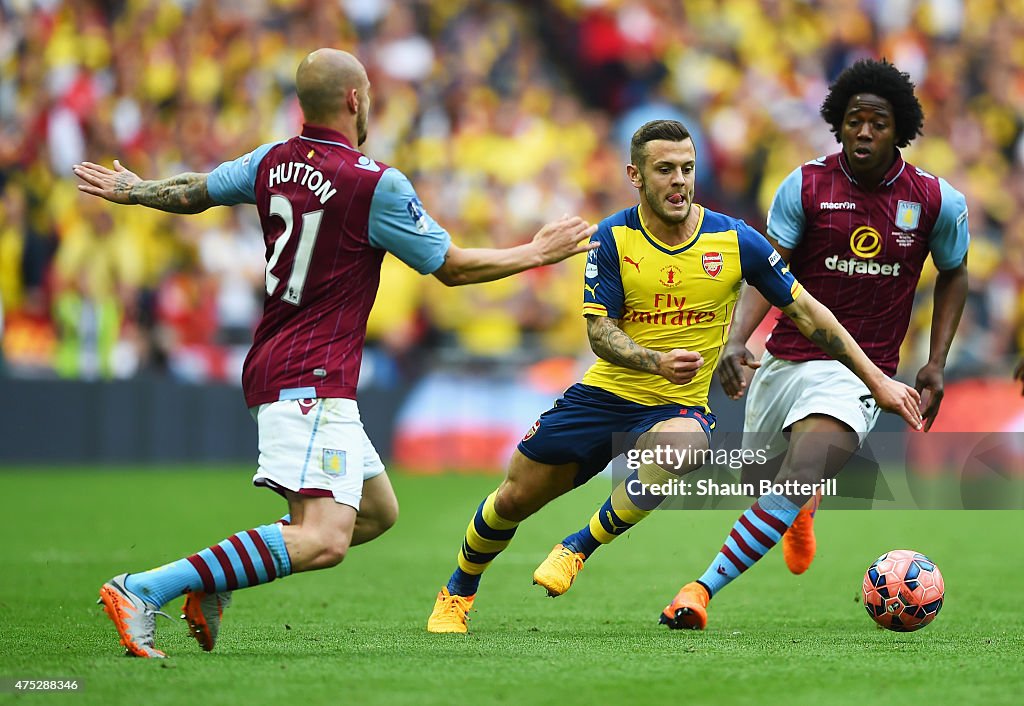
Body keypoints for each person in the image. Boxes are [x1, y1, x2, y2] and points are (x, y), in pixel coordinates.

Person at [73, 48, 598, 658]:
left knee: (376, 511)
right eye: (368, 91)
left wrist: (137, 191)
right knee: (324, 539)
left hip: (285, 365)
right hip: (309, 376)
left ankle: (211, 580)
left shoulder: (271, 160)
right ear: (355, 99)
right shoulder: (372, 182)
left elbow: (194, 191)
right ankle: (143, 589)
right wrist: (537, 251)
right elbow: (451, 269)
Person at [426, 118, 923, 634]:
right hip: (605, 395)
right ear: (635, 176)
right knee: (513, 498)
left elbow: (809, 314)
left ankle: (577, 546)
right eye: (664, 169)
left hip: (678, 407)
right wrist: (653, 361)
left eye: (686, 168)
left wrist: (876, 380)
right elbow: (600, 333)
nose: (679, 180)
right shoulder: (613, 237)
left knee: (686, 447)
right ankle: (458, 590)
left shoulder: (735, 240)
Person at [660, 59, 970, 630]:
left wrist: (935, 362)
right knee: (768, 488)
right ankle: (800, 509)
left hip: (861, 373)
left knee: (796, 475)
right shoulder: (803, 185)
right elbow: (766, 270)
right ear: (838, 123)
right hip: (786, 360)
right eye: (854, 120)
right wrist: (736, 340)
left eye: (877, 123)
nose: (864, 132)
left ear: (898, 128)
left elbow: (955, 272)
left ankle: (698, 592)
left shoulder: (935, 201)